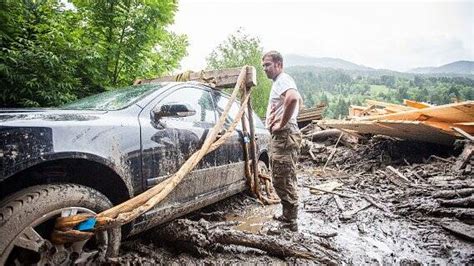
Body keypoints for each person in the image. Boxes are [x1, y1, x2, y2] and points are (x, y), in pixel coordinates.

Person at [262, 51, 302, 232]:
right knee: (281, 175)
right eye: (263, 65)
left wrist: (281, 124)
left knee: (283, 177)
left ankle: (290, 222)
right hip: (283, 136)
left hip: (285, 135)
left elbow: (293, 98)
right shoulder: (279, 82)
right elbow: (298, 100)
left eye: (268, 65)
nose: (265, 69)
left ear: (278, 64)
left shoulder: (284, 80)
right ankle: (287, 215)